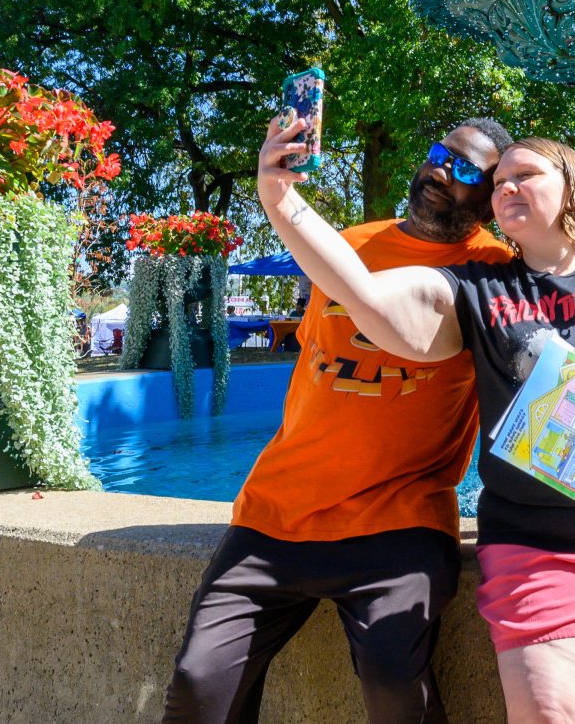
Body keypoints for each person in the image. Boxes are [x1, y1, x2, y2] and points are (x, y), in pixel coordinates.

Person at [260, 121, 575, 724]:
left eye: (526, 175)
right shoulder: (479, 289)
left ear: (572, 187)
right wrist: (281, 200)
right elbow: (362, 290)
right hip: (531, 539)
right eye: (498, 184)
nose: (505, 188)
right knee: (547, 714)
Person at [161, 117, 516, 724]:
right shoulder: (346, 243)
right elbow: (313, 351)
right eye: (439, 154)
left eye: (464, 170)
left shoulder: (495, 272)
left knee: (396, 685)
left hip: (399, 521)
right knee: (198, 684)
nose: (440, 172)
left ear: (490, 200)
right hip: (277, 513)